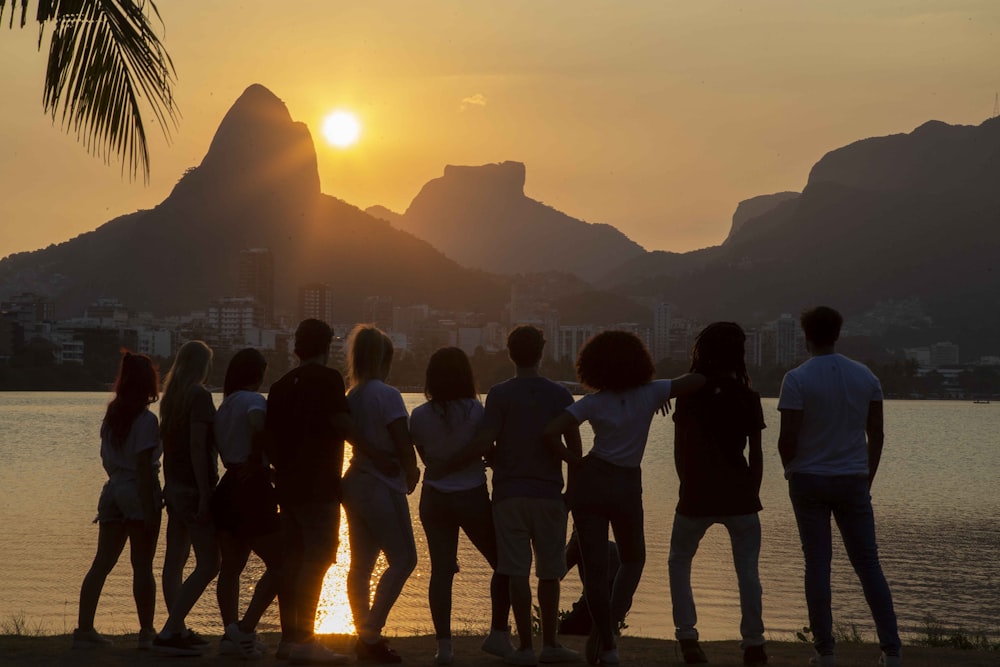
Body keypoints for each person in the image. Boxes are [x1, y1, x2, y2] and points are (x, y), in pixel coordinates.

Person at [543, 330, 703, 666]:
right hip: (627, 485)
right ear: (638, 361)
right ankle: (608, 631)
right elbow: (697, 380)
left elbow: (550, 432)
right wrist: (661, 388)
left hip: (592, 481)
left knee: (597, 569)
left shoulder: (592, 402)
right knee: (634, 559)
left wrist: (577, 462)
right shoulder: (651, 393)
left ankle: (608, 644)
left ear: (593, 367)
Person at [777, 307, 901, 667]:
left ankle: (825, 650)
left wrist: (792, 471)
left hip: (809, 480)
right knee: (869, 564)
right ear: (837, 334)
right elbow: (875, 434)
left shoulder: (796, 379)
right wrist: (867, 475)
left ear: (806, 337)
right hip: (853, 481)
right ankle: (891, 651)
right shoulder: (866, 376)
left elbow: (788, 438)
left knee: (817, 564)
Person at [476, 325, 581, 666]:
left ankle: (524, 648)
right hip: (550, 494)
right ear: (542, 352)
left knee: (516, 571)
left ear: (510, 354)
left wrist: (492, 458)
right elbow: (575, 451)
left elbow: (488, 441)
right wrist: (572, 493)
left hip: (509, 495)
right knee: (550, 573)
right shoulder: (561, 395)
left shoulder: (499, 394)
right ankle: (550, 644)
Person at [666, 322, 767, 666]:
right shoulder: (748, 396)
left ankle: (688, 637)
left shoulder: (690, 395)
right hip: (739, 494)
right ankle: (754, 643)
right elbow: (757, 452)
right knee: (748, 571)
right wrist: (752, 491)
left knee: (679, 562)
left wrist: (686, 485)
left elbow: (680, 449)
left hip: (696, 495)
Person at [410, 347, 512, 665]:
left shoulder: (419, 414)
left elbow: (426, 459)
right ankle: (498, 633)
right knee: (505, 562)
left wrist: (444, 466)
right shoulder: (477, 411)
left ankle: (444, 647)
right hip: (471, 495)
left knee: (441, 572)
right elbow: (487, 450)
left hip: (434, 497)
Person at [265, 319, 354, 664]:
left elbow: (268, 441)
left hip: (288, 488)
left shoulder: (280, 386)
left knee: (293, 561)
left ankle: (289, 639)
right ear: (327, 346)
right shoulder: (329, 380)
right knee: (318, 558)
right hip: (320, 487)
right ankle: (305, 640)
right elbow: (342, 424)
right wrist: (378, 452)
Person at [73, 351, 162, 650]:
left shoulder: (112, 417)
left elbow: (107, 460)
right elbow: (143, 467)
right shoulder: (146, 421)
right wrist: (150, 508)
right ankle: (147, 632)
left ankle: (84, 629)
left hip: (112, 489)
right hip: (136, 490)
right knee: (142, 566)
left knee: (101, 564)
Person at [342, 324, 420, 663]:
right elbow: (401, 438)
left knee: (360, 566)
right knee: (404, 559)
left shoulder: (352, 395)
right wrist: (412, 468)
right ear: (383, 358)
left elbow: (350, 435)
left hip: (354, 481)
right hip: (380, 486)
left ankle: (363, 635)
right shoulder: (386, 394)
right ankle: (371, 631)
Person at [212, 348, 281, 659]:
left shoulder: (224, 406)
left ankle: (231, 633)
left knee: (231, 567)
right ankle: (247, 628)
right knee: (282, 563)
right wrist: (258, 460)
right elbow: (257, 425)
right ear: (257, 375)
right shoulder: (254, 401)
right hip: (250, 486)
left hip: (227, 486)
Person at [153, 340, 220, 656]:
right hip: (193, 490)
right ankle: (170, 630)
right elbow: (197, 447)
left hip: (175, 487)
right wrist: (206, 493)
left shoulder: (172, 398)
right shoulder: (200, 396)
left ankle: (176, 628)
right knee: (210, 563)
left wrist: (170, 485)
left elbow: (170, 448)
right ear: (201, 365)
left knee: (174, 562)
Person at [557, 529, 622, 637]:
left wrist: (570, 546)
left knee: (566, 628)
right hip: (610, 599)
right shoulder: (606, 546)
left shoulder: (581, 547)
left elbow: (557, 574)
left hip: (603, 598)